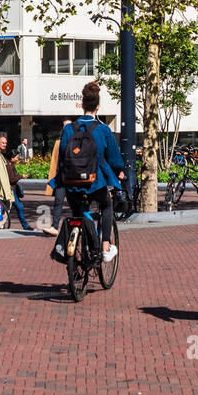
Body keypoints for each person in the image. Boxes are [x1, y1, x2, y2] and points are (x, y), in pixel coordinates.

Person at [53, 82, 125, 263]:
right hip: (95, 182)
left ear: (82, 104)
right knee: (106, 205)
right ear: (97, 107)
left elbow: (62, 156)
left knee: (77, 212)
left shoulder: (69, 129)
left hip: (71, 183)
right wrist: (118, 172)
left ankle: (76, 246)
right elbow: (115, 159)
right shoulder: (103, 129)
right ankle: (105, 246)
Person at [0, 134, 31, 231]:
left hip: (3, 186)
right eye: (2, 142)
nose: (4, 144)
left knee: (5, 205)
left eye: (5, 143)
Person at [41, 120, 72, 238]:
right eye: (65, 126)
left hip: (74, 179)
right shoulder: (58, 143)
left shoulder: (77, 141)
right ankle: (55, 227)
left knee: (76, 203)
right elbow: (55, 162)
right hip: (61, 179)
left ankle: (80, 226)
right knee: (58, 202)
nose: (66, 128)